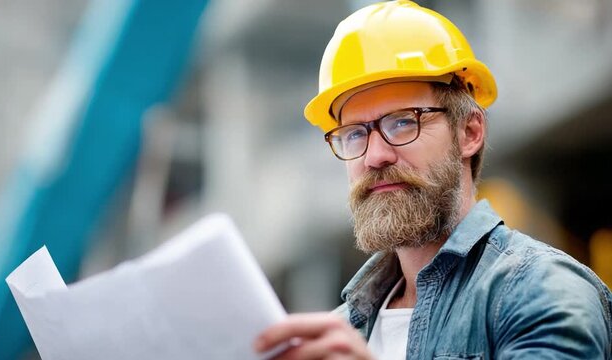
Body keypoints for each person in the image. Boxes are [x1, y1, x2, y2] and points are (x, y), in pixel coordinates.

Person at [253, 1, 612, 359]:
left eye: (403, 122)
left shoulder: (543, 292)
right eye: (354, 134)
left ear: (469, 132)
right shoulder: (341, 331)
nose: (374, 155)